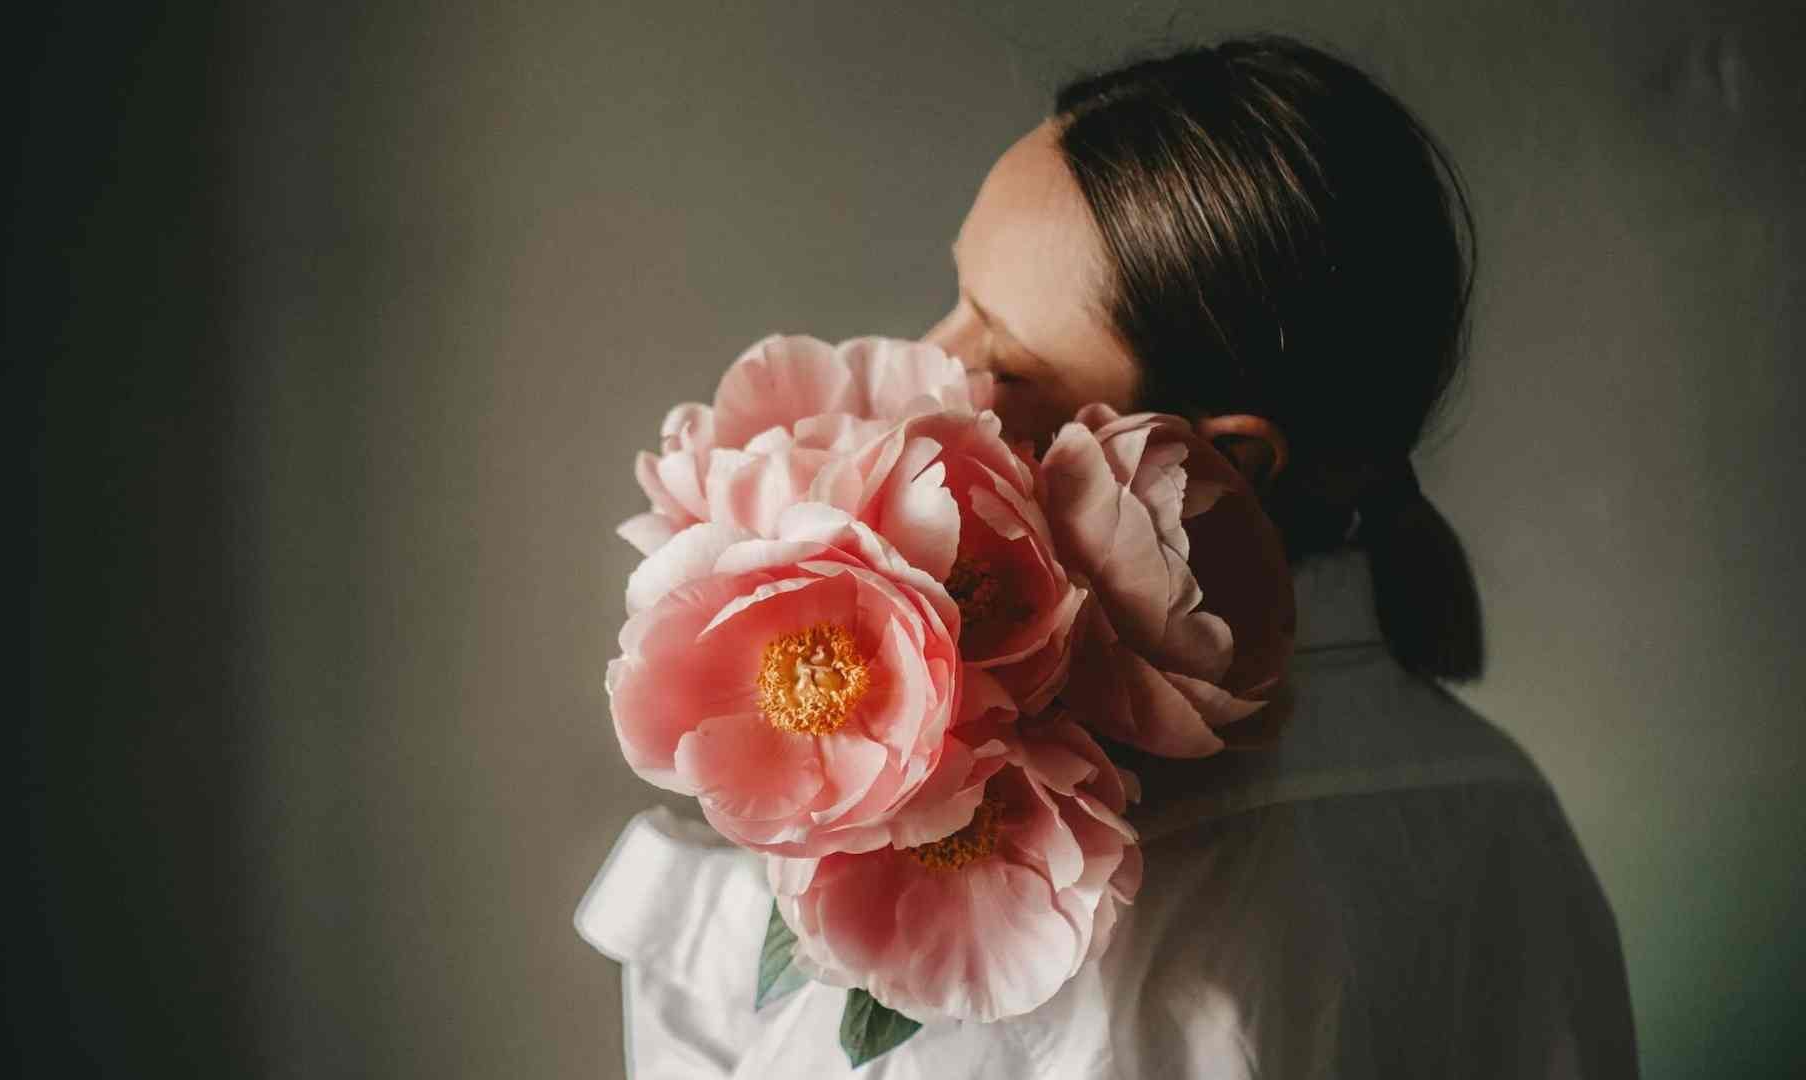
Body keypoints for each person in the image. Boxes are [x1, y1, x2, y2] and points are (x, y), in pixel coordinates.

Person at [579, 33, 1638, 1077]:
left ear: (1215, 466)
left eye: (1004, 360)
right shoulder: (1507, 807)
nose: (919, 367)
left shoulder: (1058, 905)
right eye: (954, 298)